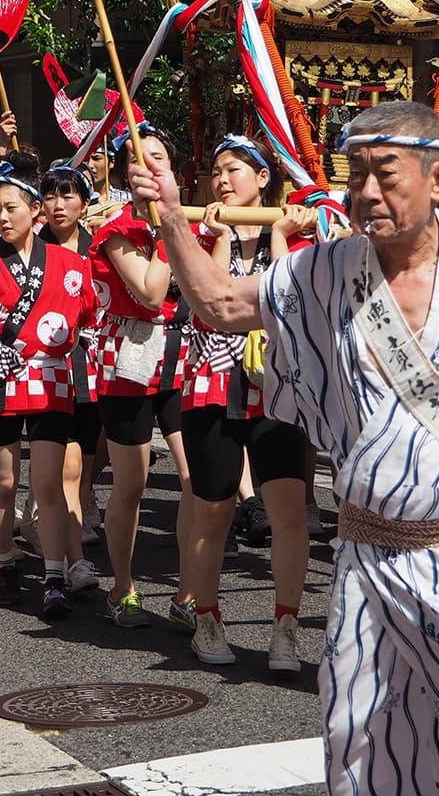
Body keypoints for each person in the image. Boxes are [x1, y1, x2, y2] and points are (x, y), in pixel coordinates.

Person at [130, 100, 439, 795]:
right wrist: (171, 214)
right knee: (364, 735)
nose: (366, 192)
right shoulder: (324, 272)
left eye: (385, 174)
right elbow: (217, 302)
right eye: (355, 174)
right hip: (368, 556)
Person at [0, 155, 99, 615]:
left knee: (48, 482)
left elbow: (87, 318)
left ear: (35, 212)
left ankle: (52, 577)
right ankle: (4, 561)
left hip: (49, 381)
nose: (2, 217)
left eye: (12, 208)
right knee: (3, 482)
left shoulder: (71, 263)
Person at [181, 135, 314, 672]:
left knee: (289, 514)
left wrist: (279, 235)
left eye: (234, 169)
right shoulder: (199, 235)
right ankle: (207, 617)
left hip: (278, 390)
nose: (222, 179)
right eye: (216, 170)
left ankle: (286, 627)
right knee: (212, 511)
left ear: (263, 179)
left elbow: (294, 305)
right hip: (211, 386)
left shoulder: (300, 238)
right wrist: (217, 238)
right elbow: (210, 306)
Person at [88, 124, 196, 630]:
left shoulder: (193, 223)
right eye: (134, 159)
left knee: (198, 477)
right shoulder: (115, 231)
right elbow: (152, 294)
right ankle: (123, 587)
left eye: (156, 158)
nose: (145, 167)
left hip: (186, 355)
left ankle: (189, 591)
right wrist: (166, 236)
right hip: (129, 360)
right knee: (133, 481)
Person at [39, 163, 105, 586]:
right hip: (39, 365)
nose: (59, 205)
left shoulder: (99, 245)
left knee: (80, 466)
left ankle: (67, 545)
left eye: (68, 196)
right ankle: (70, 557)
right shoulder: (29, 243)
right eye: (50, 196)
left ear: (85, 202)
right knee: (61, 467)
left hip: (90, 363)